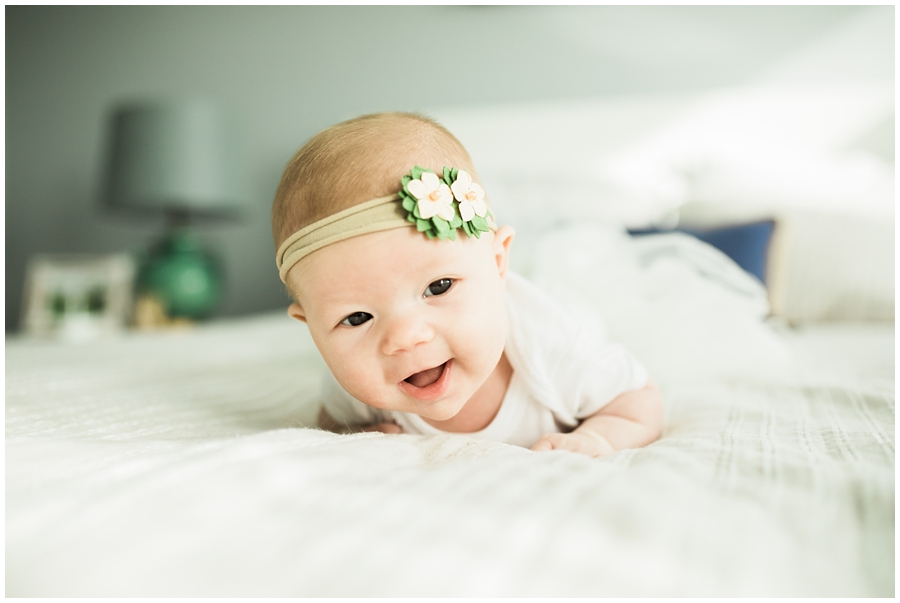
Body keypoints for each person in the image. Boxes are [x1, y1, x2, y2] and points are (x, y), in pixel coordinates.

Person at [272, 112, 662, 458]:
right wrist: (354, 435)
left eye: (439, 286)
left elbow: (637, 400)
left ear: (496, 263)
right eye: (357, 317)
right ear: (312, 328)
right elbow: (333, 421)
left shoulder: (559, 349)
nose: (405, 338)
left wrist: (600, 438)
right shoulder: (353, 384)